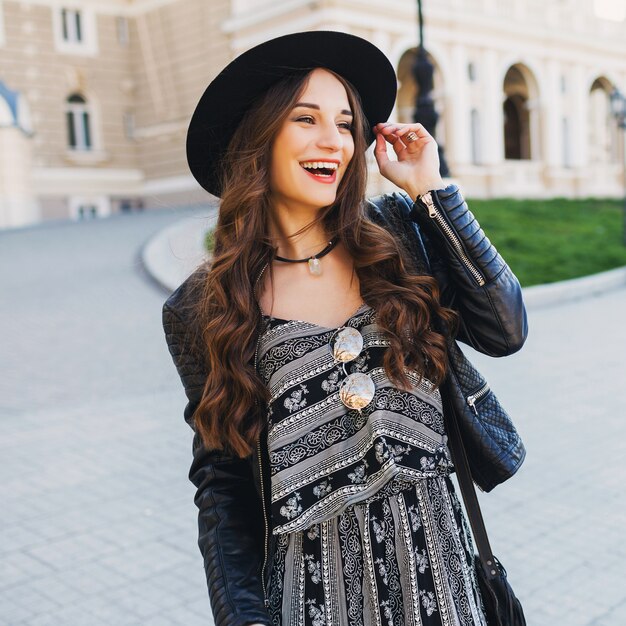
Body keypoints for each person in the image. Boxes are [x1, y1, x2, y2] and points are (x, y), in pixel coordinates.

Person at [162, 31, 527, 626]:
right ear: (260, 136)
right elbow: (223, 485)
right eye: (306, 118)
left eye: (345, 123)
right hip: (311, 598)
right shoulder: (206, 306)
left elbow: (505, 328)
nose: (332, 140)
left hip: (443, 585)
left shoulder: (397, 240)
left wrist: (432, 192)